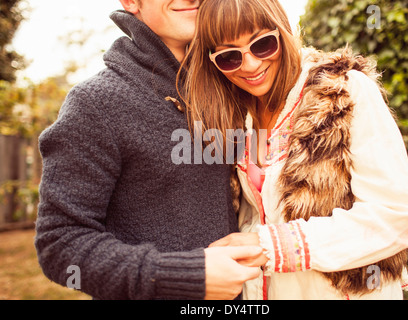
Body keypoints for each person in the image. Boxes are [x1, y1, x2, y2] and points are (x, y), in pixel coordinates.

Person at [180, 0, 408, 299]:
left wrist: (274, 246)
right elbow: (259, 214)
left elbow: (397, 214)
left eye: (262, 45)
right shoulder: (234, 114)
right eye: (230, 57)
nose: (250, 65)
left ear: (282, 31)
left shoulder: (344, 92)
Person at [34, 0, 263, 300]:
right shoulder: (97, 103)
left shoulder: (234, 85)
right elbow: (59, 245)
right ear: (130, 2)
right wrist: (183, 276)